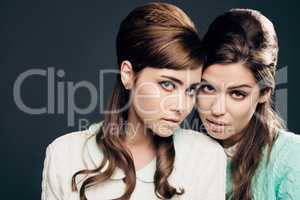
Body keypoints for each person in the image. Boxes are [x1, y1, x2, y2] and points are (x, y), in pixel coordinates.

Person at [41, 2, 226, 200]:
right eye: (168, 85)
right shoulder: (65, 155)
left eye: (191, 90)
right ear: (128, 74)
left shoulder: (205, 157)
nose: (182, 106)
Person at [193, 8, 300, 200]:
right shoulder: (179, 149)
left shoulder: (291, 158)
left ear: (264, 92)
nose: (217, 110)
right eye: (208, 88)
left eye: (237, 93)